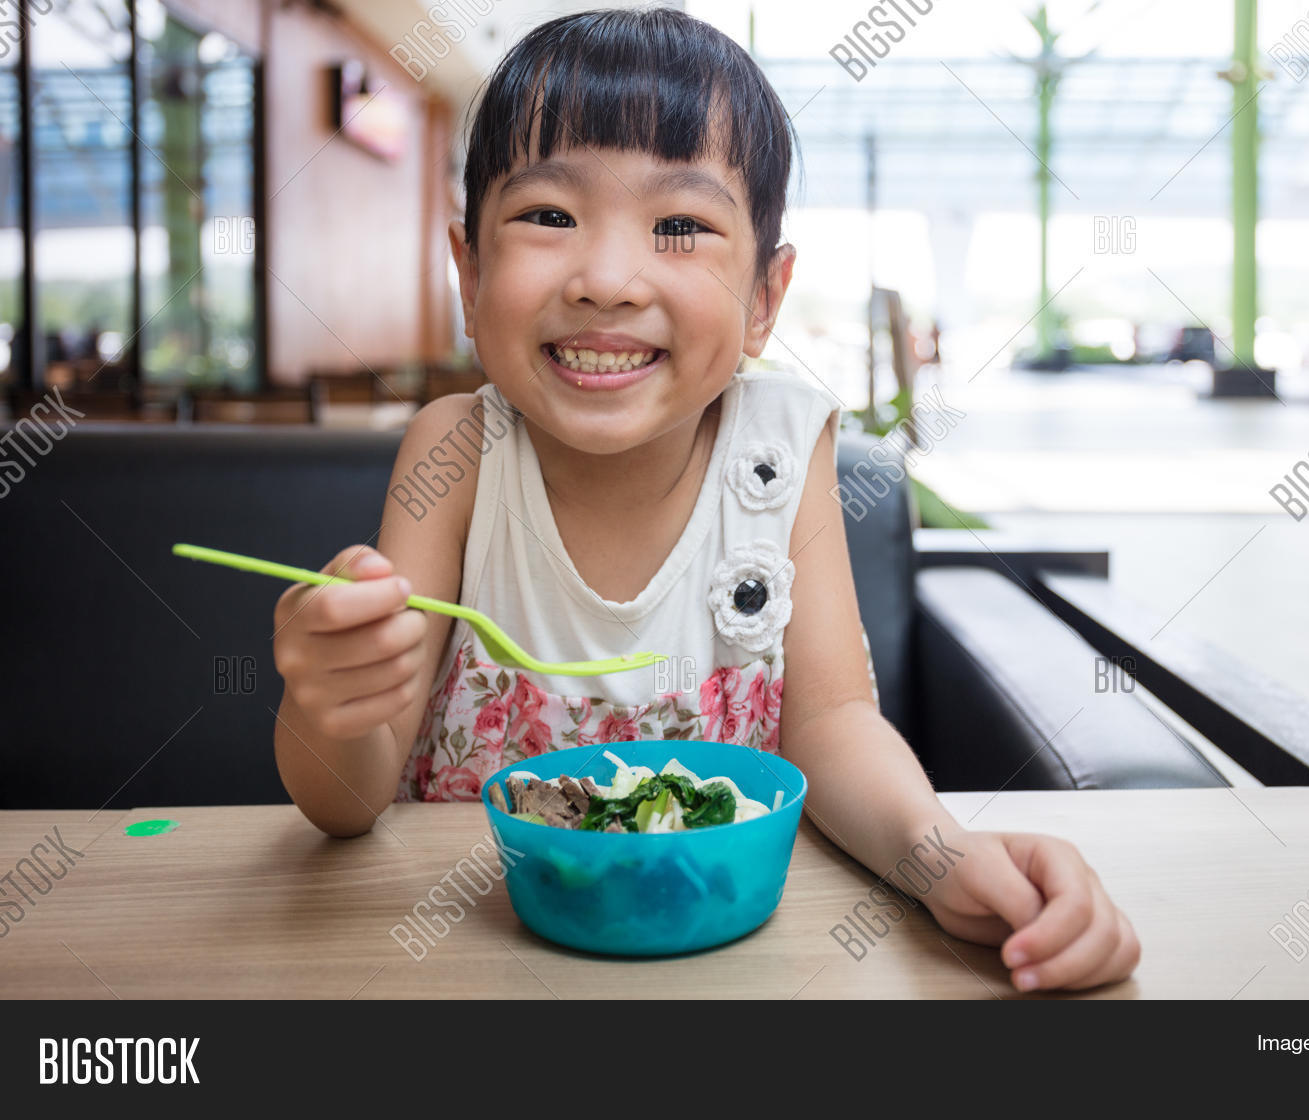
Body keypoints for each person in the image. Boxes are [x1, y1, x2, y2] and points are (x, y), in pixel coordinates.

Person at [270, 7, 1138, 992]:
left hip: (734, 956)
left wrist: (940, 856)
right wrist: (329, 705)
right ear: (469, 272)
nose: (605, 279)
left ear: (764, 298)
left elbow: (831, 723)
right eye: (549, 216)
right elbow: (350, 800)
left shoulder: (781, 447)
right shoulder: (459, 452)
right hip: (481, 953)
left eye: (680, 226)